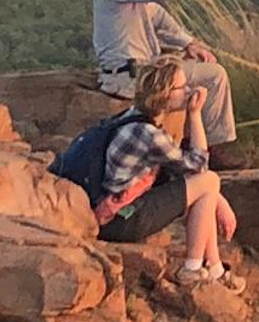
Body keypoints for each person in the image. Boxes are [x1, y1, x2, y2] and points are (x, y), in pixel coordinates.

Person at [93, 0, 243, 170]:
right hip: (131, 77)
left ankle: (188, 144)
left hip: (136, 72)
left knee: (192, 69)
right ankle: (210, 149)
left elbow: (159, 18)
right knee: (215, 77)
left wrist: (189, 43)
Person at [95, 57, 244, 292]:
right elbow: (198, 164)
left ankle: (214, 267)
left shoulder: (133, 118)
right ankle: (192, 269)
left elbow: (186, 172)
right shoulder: (148, 134)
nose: (187, 91)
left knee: (208, 186)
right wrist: (195, 115)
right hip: (125, 218)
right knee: (209, 181)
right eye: (181, 87)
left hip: (117, 208)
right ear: (164, 94)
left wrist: (218, 199)